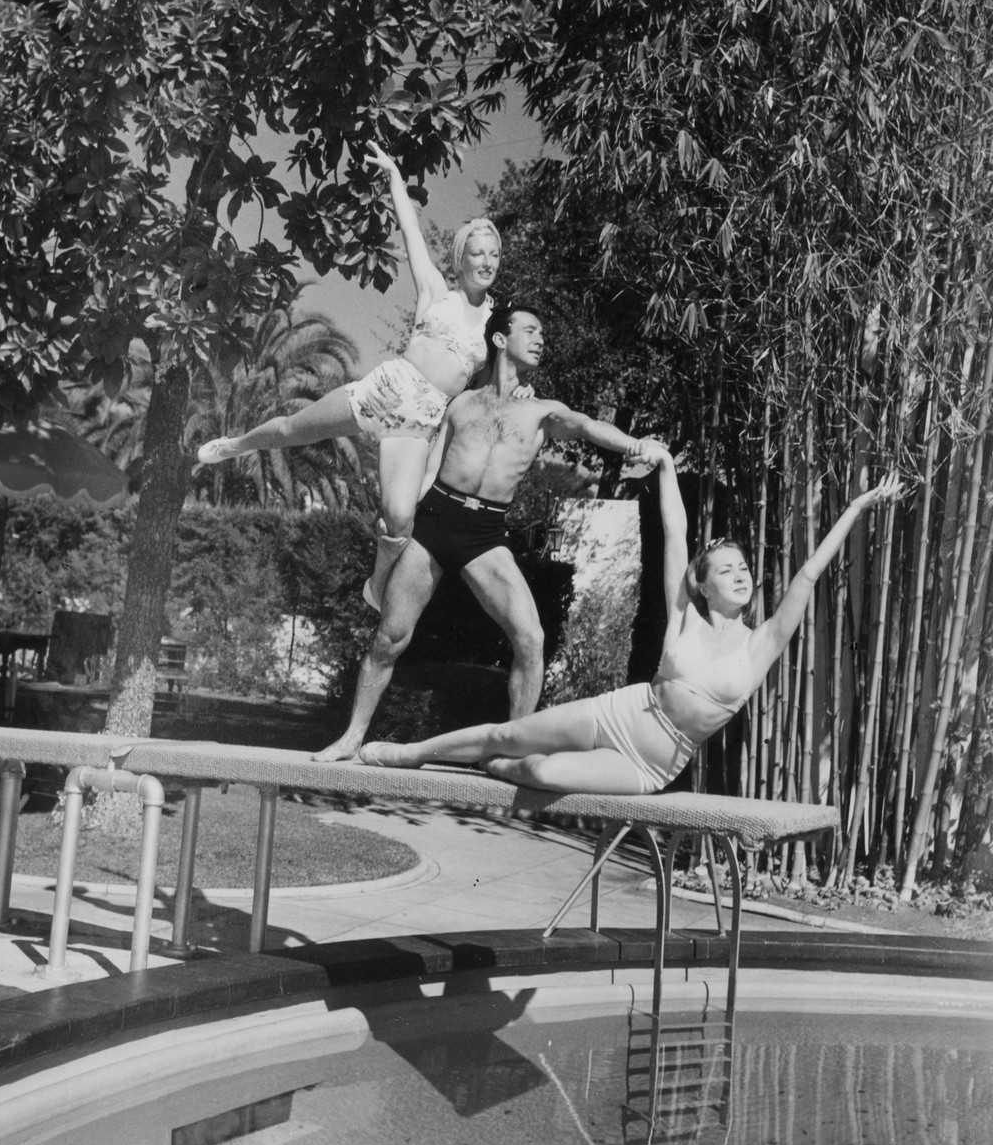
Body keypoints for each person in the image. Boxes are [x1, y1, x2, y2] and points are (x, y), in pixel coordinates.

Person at [358, 451, 904, 789]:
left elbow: (807, 575)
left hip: (651, 764)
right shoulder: (684, 615)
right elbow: (674, 533)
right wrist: (666, 467)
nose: (741, 576)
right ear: (703, 582)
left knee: (537, 771)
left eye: (745, 570)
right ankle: (409, 754)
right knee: (507, 732)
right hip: (618, 712)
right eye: (727, 569)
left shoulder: (761, 642)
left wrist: (855, 508)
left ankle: (498, 770)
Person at [314, 303, 667, 761]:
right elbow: (430, 464)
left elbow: (589, 426)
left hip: (486, 534)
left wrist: (636, 445)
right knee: (390, 638)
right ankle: (351, 738)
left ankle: (514, 751)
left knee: (531, 639)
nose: (540, 339)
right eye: (530, 330)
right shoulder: (460, 402)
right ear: (500, 339)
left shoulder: (543, 412)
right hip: (435, 521)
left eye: (542, 332)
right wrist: (401, 519)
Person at [197, 143, 503, 609]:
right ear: (461, 259)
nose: (485, 262)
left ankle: (376, 584)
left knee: (400, 519)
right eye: (477, 253)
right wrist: (395, 177)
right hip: (384, 389)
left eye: (493, 254)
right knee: (290, 430)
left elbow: (482, 395)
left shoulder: (495, 325)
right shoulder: (437, 292)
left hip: (418, 423)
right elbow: (410, 231)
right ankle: (236, 445)